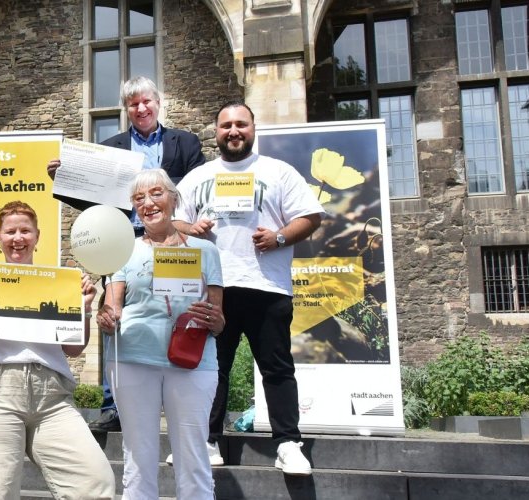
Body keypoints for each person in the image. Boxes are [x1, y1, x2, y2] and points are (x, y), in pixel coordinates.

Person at [47, 76, 206, 432]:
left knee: (178, 307)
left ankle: (178, 395)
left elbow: (199, 189)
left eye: (146, 101)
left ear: (158, 102)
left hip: (171, 240)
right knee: (114, 315)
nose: (141, 108)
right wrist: (62, 180)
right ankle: (113, 404)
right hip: (123, 241)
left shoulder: (186, 143)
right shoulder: (111, 148)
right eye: (133, 104)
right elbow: (91, 201)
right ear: (127, 109)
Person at [173, 101, 324, 475]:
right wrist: (191, 229)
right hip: (213, 289)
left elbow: (310, 216)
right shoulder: (198, 177)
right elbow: (175, 222)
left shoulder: (278, 172)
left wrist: (278, 237)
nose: (233, 131)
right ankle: (206, 441)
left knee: (276, 367)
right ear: (216, 132)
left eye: (241, 124)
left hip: (266, 285)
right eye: (226, 125)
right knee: (211, 369)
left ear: (253, 129)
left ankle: (288, 444)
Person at [0, 201, 115, 499]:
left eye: (25, 231)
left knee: (94, 483)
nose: (18, 238)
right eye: (10, 231)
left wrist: (83, 308)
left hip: (52, 396)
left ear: (37, 236)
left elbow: (73, 348)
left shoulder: (61, 284)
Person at [96, 169, 225, 499]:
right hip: (132, 359)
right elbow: (113, 305)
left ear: (174, 199)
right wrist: (107, 318)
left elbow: (219, 320)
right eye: (139, 198)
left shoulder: (205, 251)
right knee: (138, 456)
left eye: (156, 193)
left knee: (193, 455)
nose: (148, 203)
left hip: (192, 362)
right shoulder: (123, 250)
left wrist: (214, 319)